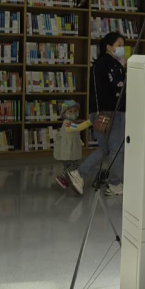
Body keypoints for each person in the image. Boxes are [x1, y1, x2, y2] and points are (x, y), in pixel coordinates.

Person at [67, 32, 127, 197]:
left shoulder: (98, 64)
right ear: (109, 46)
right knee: (117, 150)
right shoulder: (113, 65)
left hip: (97, 113)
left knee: (106, 149)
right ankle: (115, 184)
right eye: (119, 45)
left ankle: (79, 173)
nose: (122, 48)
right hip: (113, 113)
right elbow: (120, 88)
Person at [54, 100, 92, 190]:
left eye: (75, 111)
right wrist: (89, 122)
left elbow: (75, 133)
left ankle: (65, 179)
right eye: (70, 111)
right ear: (64, 113)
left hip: (70, 150)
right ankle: (63, 177)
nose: (73, 113)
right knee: (74, 165)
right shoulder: (67, 123)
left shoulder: (71, 123)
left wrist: (80, 141)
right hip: (67, 151)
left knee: (69, 166)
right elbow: (78, 128)